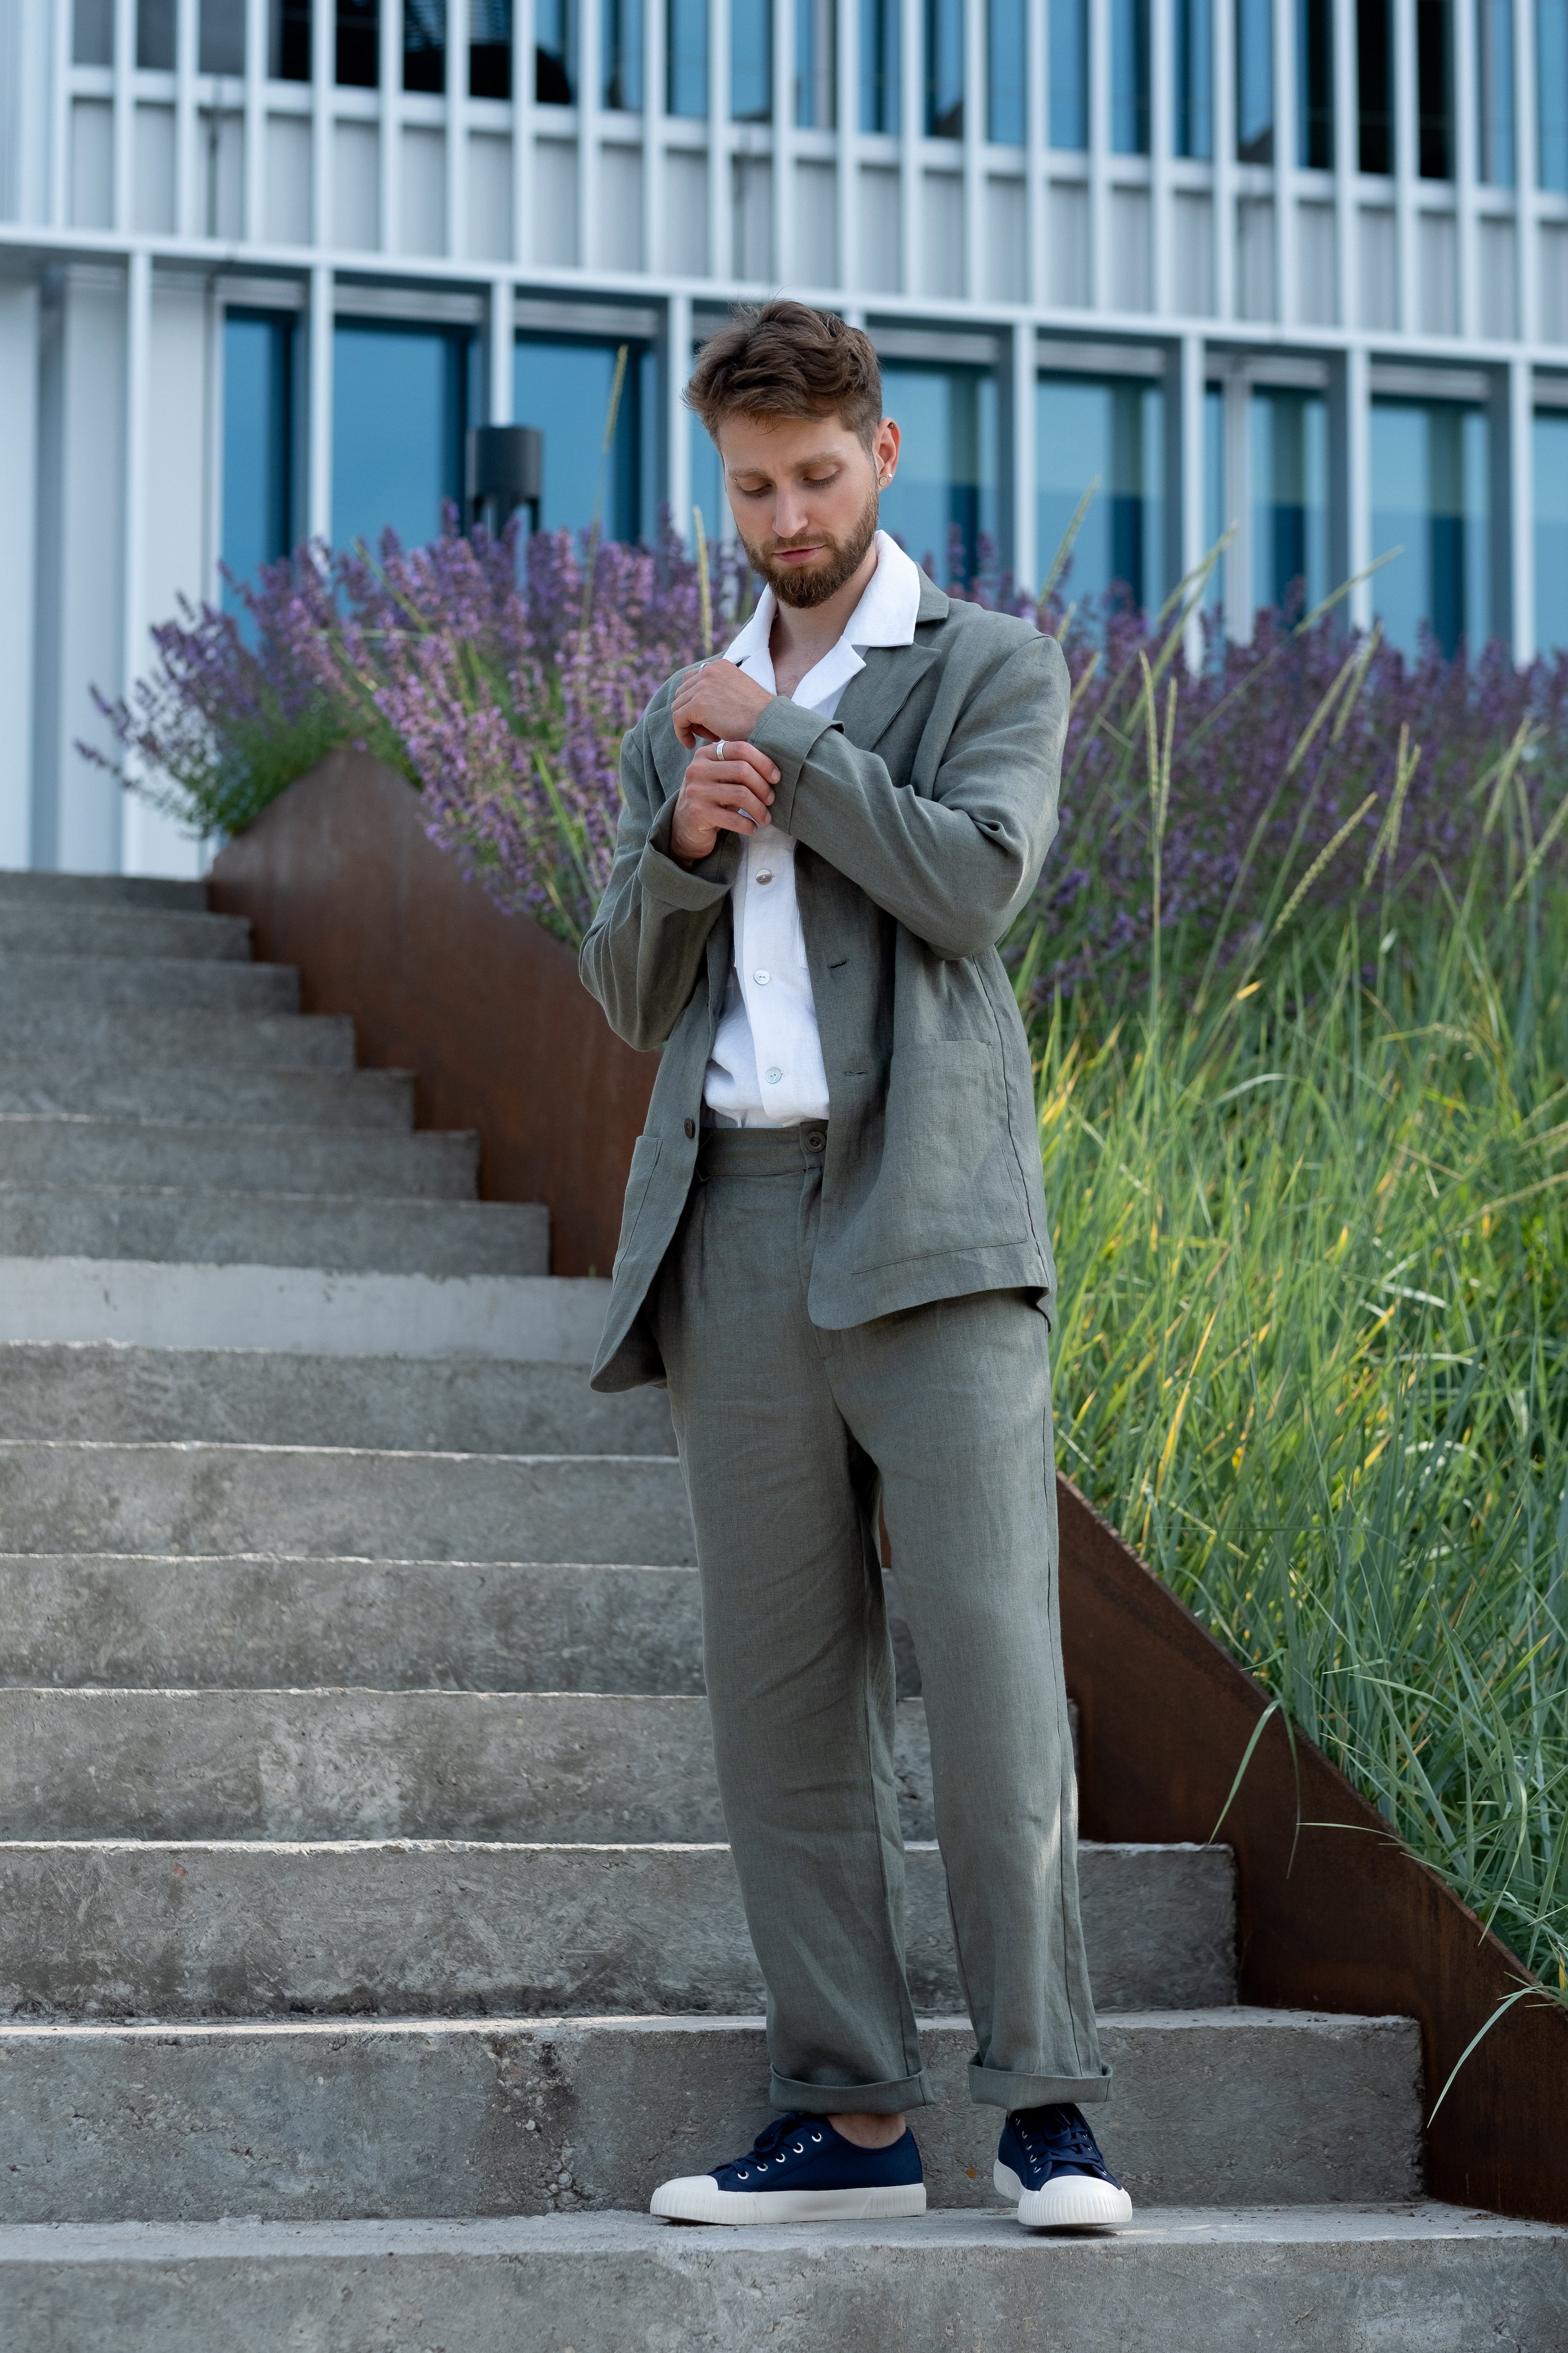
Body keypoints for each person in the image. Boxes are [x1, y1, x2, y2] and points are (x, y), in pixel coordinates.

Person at [579, 299, 1130, 2234]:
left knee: (992, 1674)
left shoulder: (993, 662)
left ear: (883, 457)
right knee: (782, 1693)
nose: (786, 517)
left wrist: (788, 755)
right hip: (730, 1215)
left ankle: (1049, 2111)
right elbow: (624, 986)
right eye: (752, 486)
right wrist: (678, 834)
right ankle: (849, 2119)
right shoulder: (698, 696)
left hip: (935, 1225)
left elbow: (977, 880)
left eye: (818, 478)